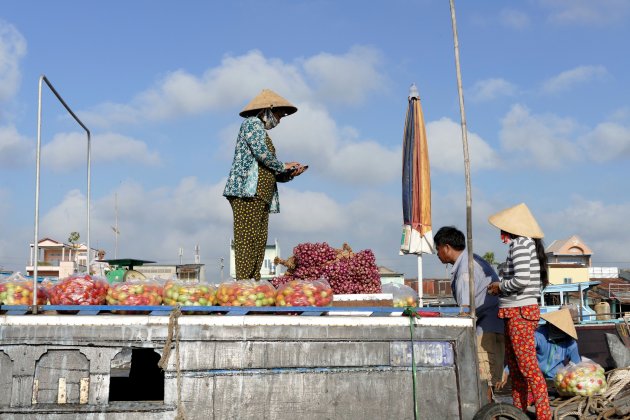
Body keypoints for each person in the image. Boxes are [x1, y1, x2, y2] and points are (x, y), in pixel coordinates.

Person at [223, 89, 307, 280]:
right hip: (247, 192)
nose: (280, 119)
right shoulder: (252, 124)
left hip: (261, 195)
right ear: (266, 110)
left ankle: (253, 281)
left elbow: (266, 168)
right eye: (279, 114)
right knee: (247, 240)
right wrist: (282, 165)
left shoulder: (261, 131)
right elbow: (261, 154)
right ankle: (243, 283)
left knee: (259, 240)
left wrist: (288, 173)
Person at [487, 203, 552, 419]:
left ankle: (543, 415)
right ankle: (519, 412)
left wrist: (500, 287)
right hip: (516, 311)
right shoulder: (523, 244)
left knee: (527, 369)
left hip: (520, 312)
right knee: (516, 370)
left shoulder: (521, 244)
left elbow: (522, 280)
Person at [434, 226, 505, 397]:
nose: (437, 254)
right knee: (486, 383)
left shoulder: (466, 269)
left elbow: (465, 310)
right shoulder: (471, 260)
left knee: (485, 383)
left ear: (446, 247)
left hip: (486, 329)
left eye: (438, 249)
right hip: (490, 325)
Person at [497, 308, 581, 388]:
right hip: (534, 377)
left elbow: (576, 364)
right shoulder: (539, 335)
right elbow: (523, 354)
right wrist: (507, 371)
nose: (557, 330)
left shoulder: (570, 343)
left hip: (556, 379)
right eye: (555, 327)